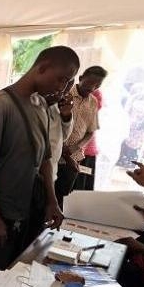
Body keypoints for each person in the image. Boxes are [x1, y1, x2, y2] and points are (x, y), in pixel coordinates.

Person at [0, 46, 79, 287]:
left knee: (16, 275)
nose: (63, 88)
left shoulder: (40, 105)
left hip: (27, 209)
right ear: (42, 67)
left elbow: (46, 159)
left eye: (68, 82)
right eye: (61, 79)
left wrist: (52, 201)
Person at [24, 80, 75, 245]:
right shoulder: (30, 104)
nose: (63, 91)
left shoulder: (55, 107)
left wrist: (66, 115)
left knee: (37, 228)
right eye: (63, 85)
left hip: (49, 172)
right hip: (29, 176)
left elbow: (63, 136)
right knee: (26, 228)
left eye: (68, 88)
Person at [55, 66, 108, 207]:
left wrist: (76, 147)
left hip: (74, 157)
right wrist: (64, 150)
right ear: (80, 78)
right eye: (89, 83)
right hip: (53, 154)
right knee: (44, 195)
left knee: (63, 199)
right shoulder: (65, 95)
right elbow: (53, 126)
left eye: (97, 85)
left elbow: (91, 131)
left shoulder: (93, 102)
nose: (92, 88)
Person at [74, 88, 104, 190]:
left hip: (86, 153)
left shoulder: (95, 94)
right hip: (74, 151)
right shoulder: (73, 92)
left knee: (80, 187)